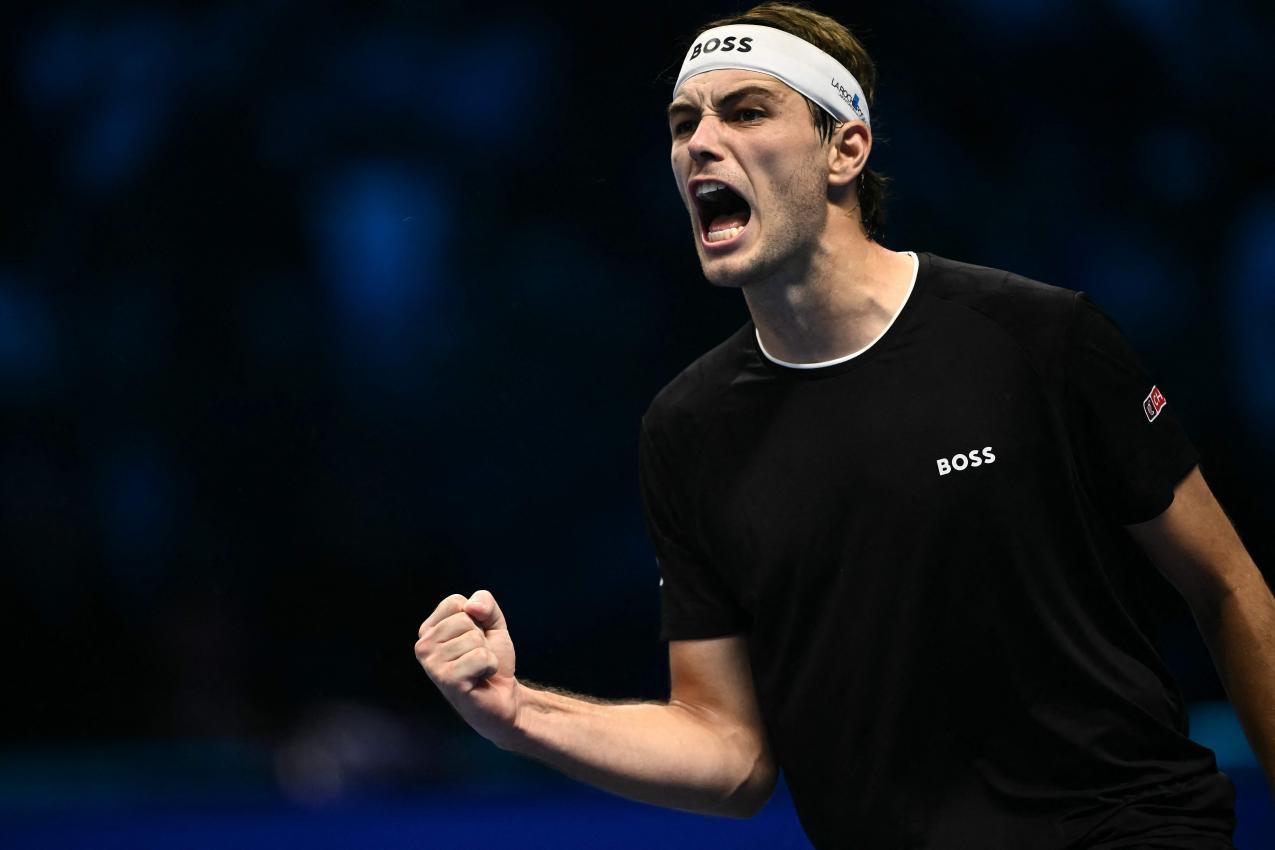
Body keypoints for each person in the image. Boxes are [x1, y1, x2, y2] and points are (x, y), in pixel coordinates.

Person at [415, 4, 1275, 847]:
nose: (698, 143)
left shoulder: (1041, 337)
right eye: (683, 123)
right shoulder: (688, 430)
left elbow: (1228, 588)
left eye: (747, 111)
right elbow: (732, 755)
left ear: (845, 148)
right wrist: (518, 711)